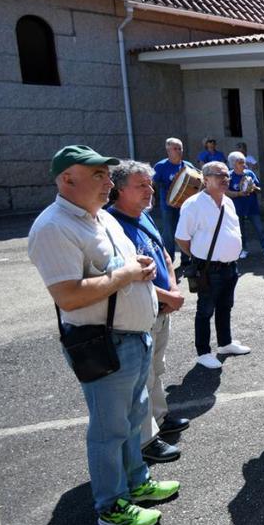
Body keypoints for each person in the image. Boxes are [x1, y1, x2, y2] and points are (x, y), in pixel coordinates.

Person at [28, 145, 179, 525]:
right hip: (104, 342)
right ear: (67, 179)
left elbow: (121, 267)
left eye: (109, 175)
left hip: (133, 337)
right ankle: (111, 506)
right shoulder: (53, 227)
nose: (109, 182)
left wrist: (139, 269)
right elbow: (69, 295)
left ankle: (137, 483)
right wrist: (129, 274)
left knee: (132, 419)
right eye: (98, 175)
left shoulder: (101, 219)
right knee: (108, 429)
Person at [107, 160, 191, 463]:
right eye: (141, 185)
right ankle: (146, 441)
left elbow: (165, 253)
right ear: (119, 190)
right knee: (140, 380)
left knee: (157, 369)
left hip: (160, 308)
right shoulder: (112, 225)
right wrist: (168, 294)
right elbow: (125, 276)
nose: (149, 190)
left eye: (150, 184)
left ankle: (160, 417)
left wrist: (175, 291)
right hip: (137, 314)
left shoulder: (143, 216)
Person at [175, 161, 249, 369]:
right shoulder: (194, 204)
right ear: (205, 179)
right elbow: (182, 238)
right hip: (208, 268)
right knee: (205, 310)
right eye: (219, 175)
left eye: (226, 175)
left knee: (226, 306)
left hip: (230, 266)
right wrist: (200, 257)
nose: (225, 179)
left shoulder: (228, 202)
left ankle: (225, 343)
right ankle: (203, 352)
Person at [150, 137, 195, 264]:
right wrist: (152, 196)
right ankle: (169, 259)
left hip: (185, 206)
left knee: (185, 231)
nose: (179, 151)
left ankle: (186, 259)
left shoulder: (188, 166)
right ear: (168, 150)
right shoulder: (161, 166)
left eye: (180, 148)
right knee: (169, 232)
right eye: (175, 148)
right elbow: (152, 183)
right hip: (168, 205)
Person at [227, 151, 264, 258]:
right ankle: (242, 249)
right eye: (240, 162)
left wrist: (254, 188)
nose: (243, 164)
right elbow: (226, 192)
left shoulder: (249, 173)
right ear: (233, 164)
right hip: (237, 208)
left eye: (243, 161)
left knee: (260, 229)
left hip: (252, 207)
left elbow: (259, 189)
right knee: (240, 231)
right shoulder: (229, 176)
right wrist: (239, 193)